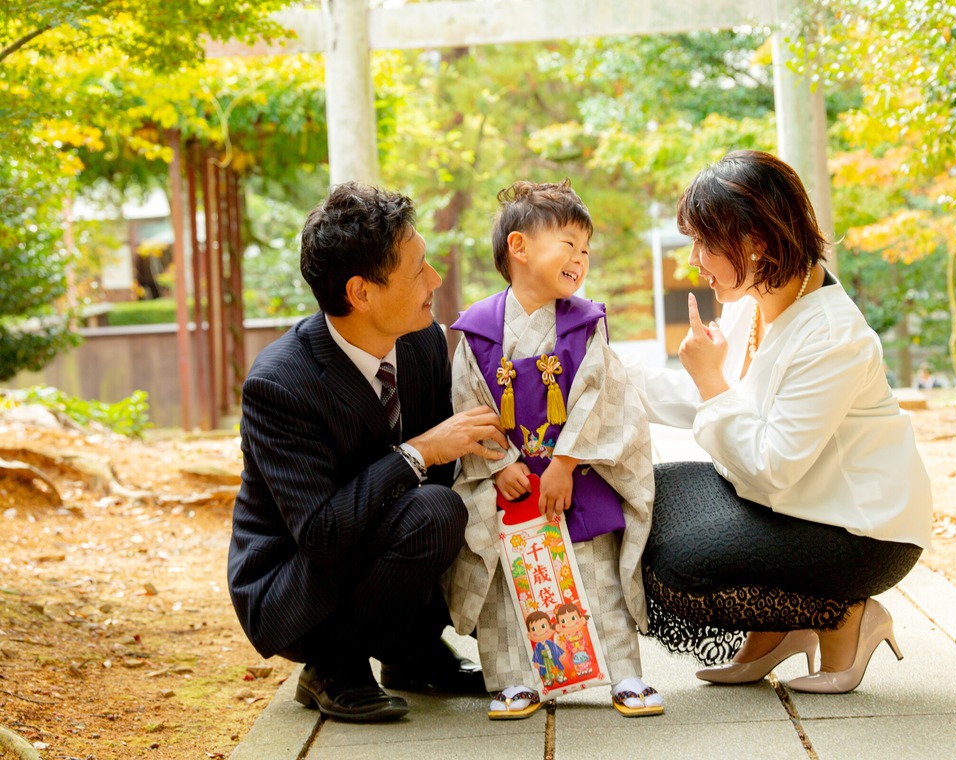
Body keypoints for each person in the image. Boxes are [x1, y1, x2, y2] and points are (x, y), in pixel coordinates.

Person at [624, 150, 932, 694]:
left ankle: (845, 616)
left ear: (755, 243)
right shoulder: (755, 298)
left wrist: (712, 381)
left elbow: (771, 466)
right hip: (792, 504)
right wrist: (601, 371)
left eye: (705, 242)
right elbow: (712, 402)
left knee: (680, 564)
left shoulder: (833, 336)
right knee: (640, 496)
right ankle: (776, 631)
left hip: (856, 532)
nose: (694, 259)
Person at [227, 182, 510, 723]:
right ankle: (332, 666)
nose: (435, 279)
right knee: (433, 507)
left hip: (375, 543)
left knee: (450, 502)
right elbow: (321, 532)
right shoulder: (281, 384)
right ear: (361, 292)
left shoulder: (422, 340)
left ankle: (412, 653)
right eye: (418, 269)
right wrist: (418, 452)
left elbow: (444, 470)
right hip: (293, 584)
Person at [445, 180, 662, 719]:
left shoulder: (586, 325)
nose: (580, 258)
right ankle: (515, 680)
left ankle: (626, 674)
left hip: (575, 478)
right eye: (567, 244)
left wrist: (564, 463)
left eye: (585, 249)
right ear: (519, 248)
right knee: (505, 581)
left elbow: (600, 396)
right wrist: (498, 465)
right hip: (513, 483)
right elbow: (469, 405)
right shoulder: (477, 331)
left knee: (598, 575)